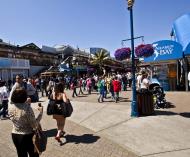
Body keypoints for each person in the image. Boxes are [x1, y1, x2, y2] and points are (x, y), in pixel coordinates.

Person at [8, 88, 43, 157]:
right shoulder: (27, 108)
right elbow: (34, 125)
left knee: (21, 154)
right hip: (27, 135)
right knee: (34, 154)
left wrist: (26, 103)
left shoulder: (10, 107)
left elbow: (18, 113)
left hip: (15, 134)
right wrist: (41, 113)